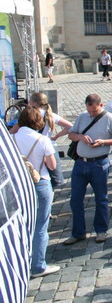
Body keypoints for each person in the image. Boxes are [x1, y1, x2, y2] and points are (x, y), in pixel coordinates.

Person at [64, 94, 112, 245]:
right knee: (76, 199)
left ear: (101, 105)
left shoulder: (109, 118)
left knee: (101, 198)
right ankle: (78, 232)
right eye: (89, 111)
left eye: (94, 111)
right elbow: (71, 134)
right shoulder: (82, 117)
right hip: (80, 163)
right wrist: (80, 137)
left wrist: (104, 142)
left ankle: (101, 230)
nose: (91, 114)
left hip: (99, 163)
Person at [13, 106, 59, 277]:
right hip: (40, 182)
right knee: (40, 226)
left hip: (19, 185)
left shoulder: (12, 138)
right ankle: (38, 265)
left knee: (22, 224)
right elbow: (52, 166)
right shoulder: (42, 140)